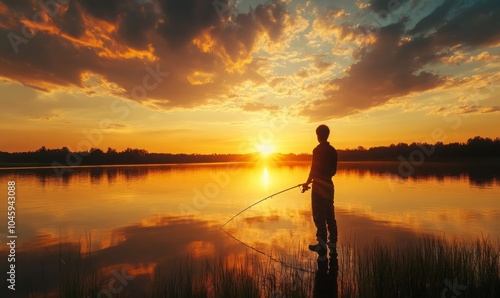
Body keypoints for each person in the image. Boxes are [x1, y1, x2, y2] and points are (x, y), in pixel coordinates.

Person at [302, 124, 338, 256]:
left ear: (318, 135)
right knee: (330, 218)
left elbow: (313, 169)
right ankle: (333, 244)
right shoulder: (333, 151)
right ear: (327, 135)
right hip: (329, 186)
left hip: (318, 188)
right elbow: (333, 171)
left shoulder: (317, 150)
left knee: (319, 218)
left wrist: (307, 183)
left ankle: (322, 247)